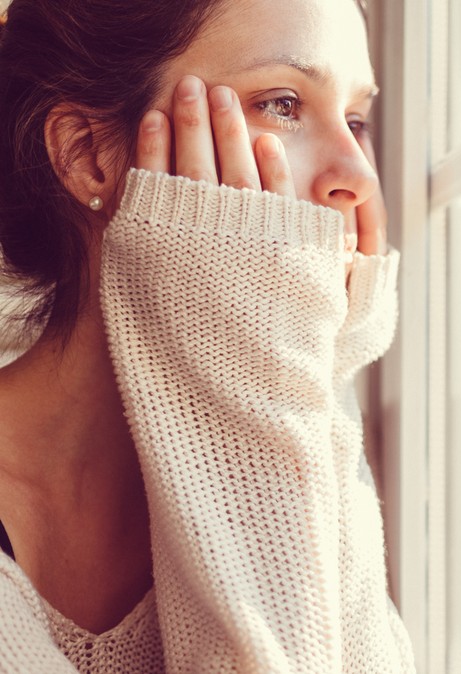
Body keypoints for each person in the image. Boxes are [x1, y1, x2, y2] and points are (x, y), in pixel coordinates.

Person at [0, 0, 416, 671]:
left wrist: (308, 380)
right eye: (282, 104)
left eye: (357, 119)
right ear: (87, 156)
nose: (359, 177)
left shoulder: (298, 437)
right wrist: (263, 378)